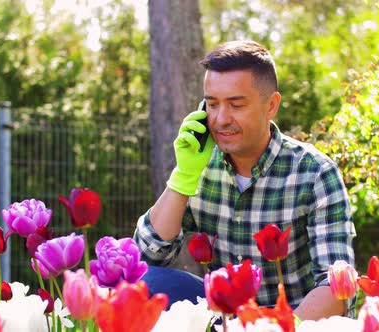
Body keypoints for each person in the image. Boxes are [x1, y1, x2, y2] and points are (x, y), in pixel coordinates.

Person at [134, 40, 356, 321]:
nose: (221, 119)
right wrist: (183, 176)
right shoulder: (200, 167)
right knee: (148, 283)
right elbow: (146, 259)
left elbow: (336, 285)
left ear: (271, 105)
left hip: (293, 323)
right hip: (221, 320)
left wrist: (275, 328)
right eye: (212, 105)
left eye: (236, 105)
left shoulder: (315, 173)